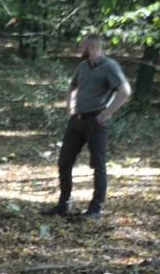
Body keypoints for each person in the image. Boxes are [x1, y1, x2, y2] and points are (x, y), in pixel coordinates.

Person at [41, 33, 131, 220]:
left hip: (96, 123)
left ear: (91, 47)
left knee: (98, 165)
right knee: (64, 162)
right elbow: (72, 88)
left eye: (81, 47)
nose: (79, 51)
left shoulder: (109, 67)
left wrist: (105, 115)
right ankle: (63, 203)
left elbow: (125, 91)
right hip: (77, 121)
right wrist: (70, 111)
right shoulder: (83, 67)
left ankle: (95, 209)